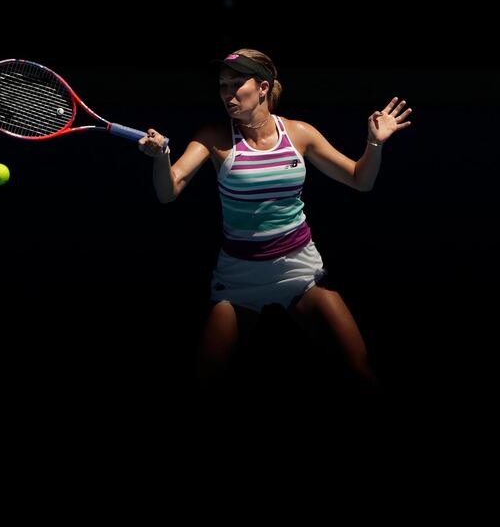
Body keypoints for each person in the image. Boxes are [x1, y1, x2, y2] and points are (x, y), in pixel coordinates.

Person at [138, 49, 412, 392]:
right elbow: (169, 190)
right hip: (239, 277)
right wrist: (161, 157)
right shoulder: (214, 139)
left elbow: (360, 179)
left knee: (359, 371)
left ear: (263, 88)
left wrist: (375, 142)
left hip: (300, 269)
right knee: (203, 381)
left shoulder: (299, 134)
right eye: (223, 85)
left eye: (237, 84)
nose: (227, 93)